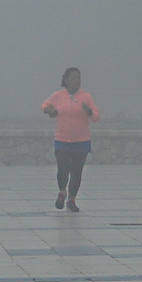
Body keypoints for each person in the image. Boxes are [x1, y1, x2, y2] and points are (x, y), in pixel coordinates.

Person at [41, 67, 100, 212]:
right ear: (66, 80)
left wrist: (89, 111)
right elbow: (45, 106)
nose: (77, 81)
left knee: (76, 172)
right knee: (63, 168)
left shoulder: (86, 97)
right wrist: (50, 110)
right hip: (62, 140)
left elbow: (96, 117)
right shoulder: (58, 95)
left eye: (79, 78)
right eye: (74, 78)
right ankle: (62, 192)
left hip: (81, 142)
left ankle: (72, 200)